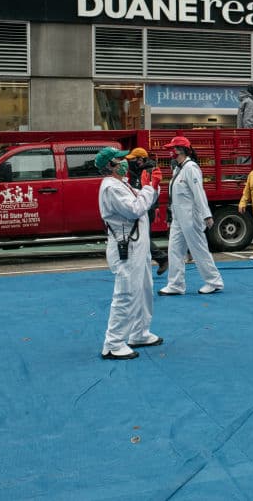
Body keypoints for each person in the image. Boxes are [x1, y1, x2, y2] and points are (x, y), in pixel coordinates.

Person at [96, 146, 163, 360]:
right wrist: (148, 188)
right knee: (126, 293)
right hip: (127, 245)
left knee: (143, 289)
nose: (125, 162)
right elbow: (134, 209)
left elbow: (143, 203)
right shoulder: (111, 188)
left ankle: (139, 333)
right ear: (110, 165)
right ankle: (113, 343)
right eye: (120, 159)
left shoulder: (121, 184)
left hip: (137, 244)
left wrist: (153, 187)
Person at [159, 135, 225, 295]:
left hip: (190, 218)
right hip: (178, 218)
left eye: (172, 149)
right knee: (174, 250)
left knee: (198, 249)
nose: (170, 153)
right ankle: (175, 285)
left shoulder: (191, 168)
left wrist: (206, 215)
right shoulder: (178, 169)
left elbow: (198, 192)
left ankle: (214, 281)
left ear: (181, 150)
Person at [125, 147, 168, 274]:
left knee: (142, 238)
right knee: (141, 237)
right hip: (142, 207)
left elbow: (151, 192)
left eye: (133, 159)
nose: (130, 162)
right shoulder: (138, 170)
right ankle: (158, 259)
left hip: (146, 208)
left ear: (140, 159)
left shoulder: (149, 171)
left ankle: (162, 258)